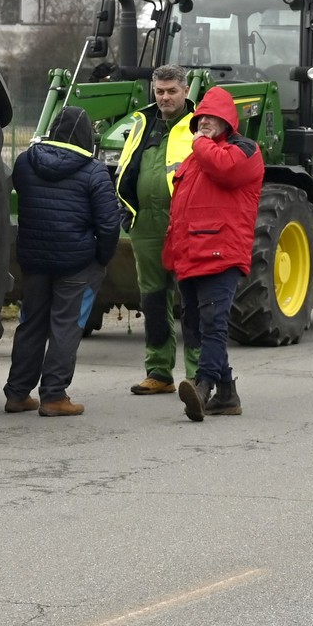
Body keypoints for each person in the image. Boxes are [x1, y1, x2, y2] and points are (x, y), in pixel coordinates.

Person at [3, 106, 121, 416]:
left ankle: (17, 393)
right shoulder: (93, 170)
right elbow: (109, 225)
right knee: (66, 326)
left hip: (34, 259)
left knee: (31, 323)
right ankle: (54, 395)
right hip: (77, 262)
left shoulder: (25, 162)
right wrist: (101, 258)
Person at [165, 86, 265, 421]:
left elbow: (225, 169)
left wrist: (199, 142)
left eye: (212, 118)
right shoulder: (196, 158)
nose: (205, 122)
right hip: (192, 253)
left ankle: (204, 385)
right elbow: (181, 210)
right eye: (201, 118)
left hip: (222, 252)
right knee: (196, 323)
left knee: (214, 323)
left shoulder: (243, 150)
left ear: (227, 122)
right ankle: (227, 395)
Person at [114, 66, 198, 397]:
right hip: (144, 223)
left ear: (185, 90)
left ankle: (197, 372)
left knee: (192, 298)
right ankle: (159, 371)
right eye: (159, 91)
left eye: (171, 91)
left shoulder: (199, 125)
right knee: (152, 298)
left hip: (184, 222)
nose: (164, 97)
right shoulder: (141, 122)